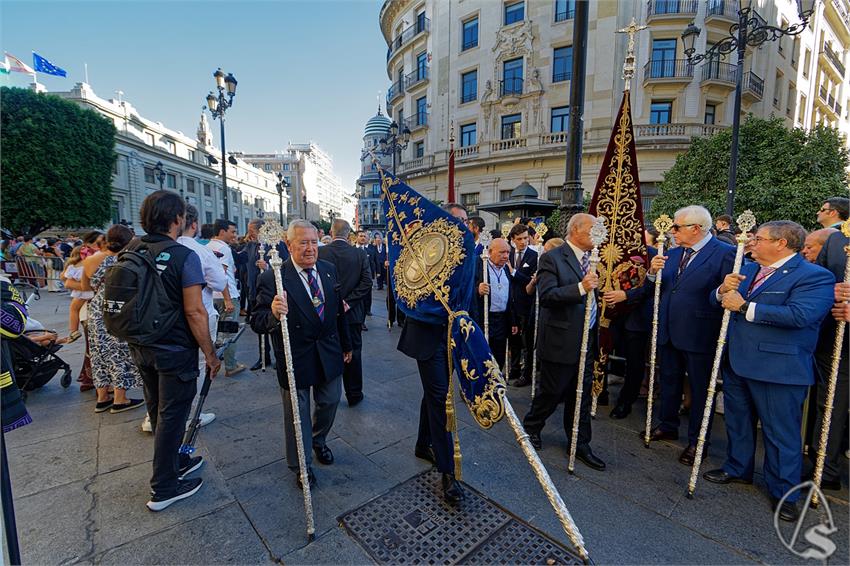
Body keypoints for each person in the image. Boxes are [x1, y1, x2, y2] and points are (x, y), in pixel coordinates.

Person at [704, 221, 834, 522]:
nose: (751, 241)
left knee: (780, 433)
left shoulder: (814, 276)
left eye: (758, 238)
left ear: (781, 244)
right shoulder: (746, 269)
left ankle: (784, 490)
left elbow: (801, 315)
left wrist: (743, 307)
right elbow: (717, 300)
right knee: (738, 421)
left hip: (779, 368)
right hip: (738, 361)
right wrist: (722, 290)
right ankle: (738, 467)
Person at [128, 191, 221, 512]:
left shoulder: (133, 248)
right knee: (173, 415)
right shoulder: (183, 255)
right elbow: (196, 312)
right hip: (174, 348)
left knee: (157, 411)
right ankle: (164, 486)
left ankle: (172, 464)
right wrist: (210, 353)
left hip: (141, 345)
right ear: (177, 219)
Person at [251, 220, 352, 487]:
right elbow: (257, 320)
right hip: (295, 355)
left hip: (329, 349)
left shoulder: (329, 270)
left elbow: (339, 312)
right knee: (297, 412)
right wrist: (272, 312)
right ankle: (302, 465)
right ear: (289, 245)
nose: (310, 249)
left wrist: (347, 345)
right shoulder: (273, 277)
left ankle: (318, 440)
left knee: (330, 401)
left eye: (313, 242)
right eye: (303, 243)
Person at [642, 205, 735, 466]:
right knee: (669, 381)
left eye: (677, 227)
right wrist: (651, 272)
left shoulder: (725, 253)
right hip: (670, 330)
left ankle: (698, 440)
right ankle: (667, 424)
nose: (672, 231)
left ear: (696, 228)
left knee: (699, 388)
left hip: (701, 333)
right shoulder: (671, 254)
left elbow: (725, 293)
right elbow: (660, 288)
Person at [522, 213, 606, 471]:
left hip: (587, 338)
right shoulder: (552, 258)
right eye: (593, 229)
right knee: (552, 391)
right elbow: (547, 295)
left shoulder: (593, 259)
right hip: (560, 339)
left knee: (580, 393)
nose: (598, 233)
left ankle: (580, 443)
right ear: (576, 230)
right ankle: (532, 427)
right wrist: (580, 287)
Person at [399, 202, 467, 503]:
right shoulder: (423, 251)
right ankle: (447, 472)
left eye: (466, 221)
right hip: (428, 337)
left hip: (454, 338)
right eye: (456, 221)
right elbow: (407, 292)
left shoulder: (469, 254)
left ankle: (422, 443)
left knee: (434, 394)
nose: (463, 226)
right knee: (441, 399)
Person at [143, 203, 226, 432]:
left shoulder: (147, 247)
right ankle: (187, 416)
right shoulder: (195, 251)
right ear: (192, 223)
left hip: (154, 321)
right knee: (195, 367)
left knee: (154, 373)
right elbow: (219, 283)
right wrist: (211, 354)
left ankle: (153, 417)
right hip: (193, 317)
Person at [81, 225, 146, 414]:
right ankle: (120, 398)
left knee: (98, 352)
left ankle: (102, 397)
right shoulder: (123, 260)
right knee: (118, 352)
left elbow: (85, 287)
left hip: (94, 310)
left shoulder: (90, 260)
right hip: (115, 309)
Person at [810, 220, 849, 491]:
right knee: (830, 406)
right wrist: (829, 293)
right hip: (837, 343)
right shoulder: (837, 238)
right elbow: (819, 279)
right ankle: (824, 466)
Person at [318, 219, 372, 406]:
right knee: (354, 353)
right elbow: (367, 282)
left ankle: (326, 396)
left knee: (327, 351)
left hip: (326, 312)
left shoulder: (321, 252)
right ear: (349, 234)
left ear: (331, 232)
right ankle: (354, 394)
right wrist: (348, 303)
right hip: (352, 314)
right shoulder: (359, 254)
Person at [603, 246, 657, 419]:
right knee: (601, 352)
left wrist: (626, 295)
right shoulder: (608, 247)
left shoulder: (652, 253)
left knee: (634, 362)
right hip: (610, 314)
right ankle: (599, 391)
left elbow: (652, 288)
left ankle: (626, 401)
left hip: (637, 317)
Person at [207, 219, 246, 377]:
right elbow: (220, 274)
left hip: (211, 297)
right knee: (229, 333)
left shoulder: (206, 247)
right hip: (226, 296)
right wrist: (227, 299)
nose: (234, 235)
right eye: (232, 231)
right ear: (222, 231)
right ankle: (230, 365)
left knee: (214, 333)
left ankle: (212, 362)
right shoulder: (224, 249)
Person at [474, 238, 516, 371]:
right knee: (482, 357)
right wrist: (477, 289)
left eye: (508, 253)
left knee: (498, 359)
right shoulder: (479, 265)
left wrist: (513, 321)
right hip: (483, 319)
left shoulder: (506, 269)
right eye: (502, 252)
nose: (506, 256)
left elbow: (510, 297)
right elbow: (464, 287)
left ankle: (496, 387)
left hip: (502, 321)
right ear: (490, 252)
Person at [507, 224, 538, 386]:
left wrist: (513, 272)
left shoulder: (534, 256)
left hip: (526, 304)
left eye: (525, 238)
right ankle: (514, 368)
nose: (523, 242)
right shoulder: (509, 254)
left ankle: (527, 374)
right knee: (514, 340)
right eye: (519, 239)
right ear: (513, 240)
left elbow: (531, 281)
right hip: (511, 304)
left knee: (527, 341)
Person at [61, 246, 92, 343]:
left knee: (73, 309)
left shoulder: (74, 267)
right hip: (89, 292)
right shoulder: (91, 265)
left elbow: (66, 279)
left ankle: (74, 331)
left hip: (81, 294)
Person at [355, 230, 374, 318]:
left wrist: (374, 274)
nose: (363, 238)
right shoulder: (352, 249)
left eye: (364, 236)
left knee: (367, 296)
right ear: (356, 237)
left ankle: (367, 310)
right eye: (361, 236)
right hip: (355, 278)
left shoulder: (369, 250)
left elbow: (373, 263)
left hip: (366, 278)